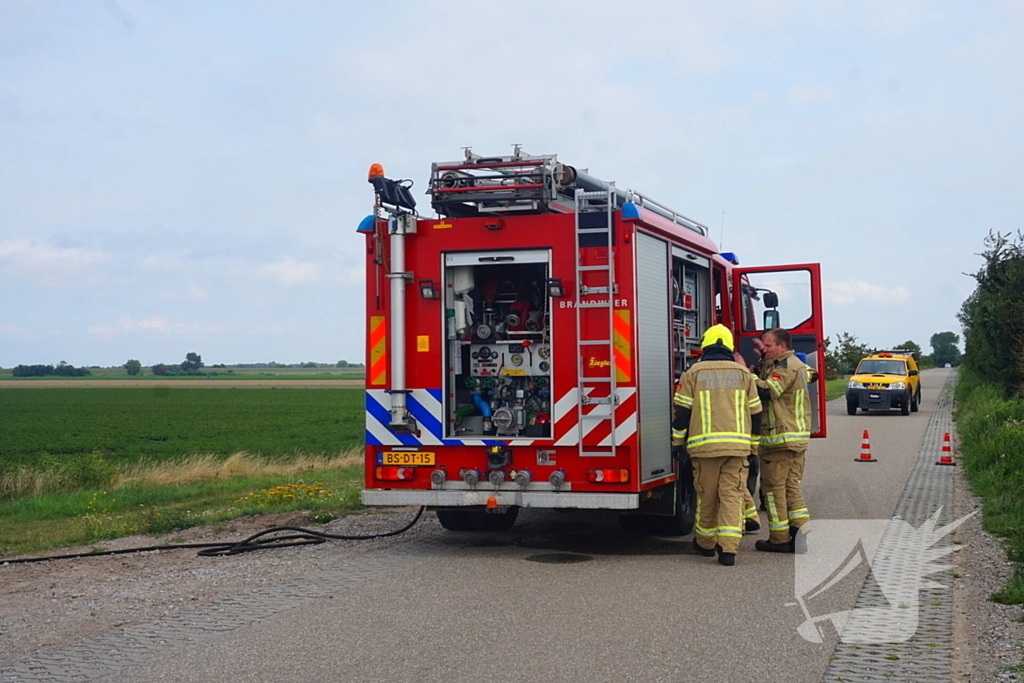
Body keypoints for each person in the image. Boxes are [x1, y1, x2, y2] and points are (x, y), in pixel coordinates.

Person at [673, 324, 762, 566]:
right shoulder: (744, 374)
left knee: (707, 497)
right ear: (730, 346)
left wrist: (677, 442)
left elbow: (681, 412)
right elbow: (756, 415)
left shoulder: (693, 373)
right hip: (737, 449)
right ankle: (729, 551)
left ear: (705, 345)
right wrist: (753, 448)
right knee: (732, 496)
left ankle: (705, 544)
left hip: (704, 450)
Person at [738, 328, 812, 553]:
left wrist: (744, 374)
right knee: (791, 487)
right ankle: (800, 532)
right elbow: (812, 374)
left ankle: (779, 540)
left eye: (769, 346)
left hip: (779, 441)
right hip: (795, 439)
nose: (765, 349)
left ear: (782, 346)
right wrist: (760, 365)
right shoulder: (796, 365)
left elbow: (769, 391)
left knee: (773, 490)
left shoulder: (785, 367)